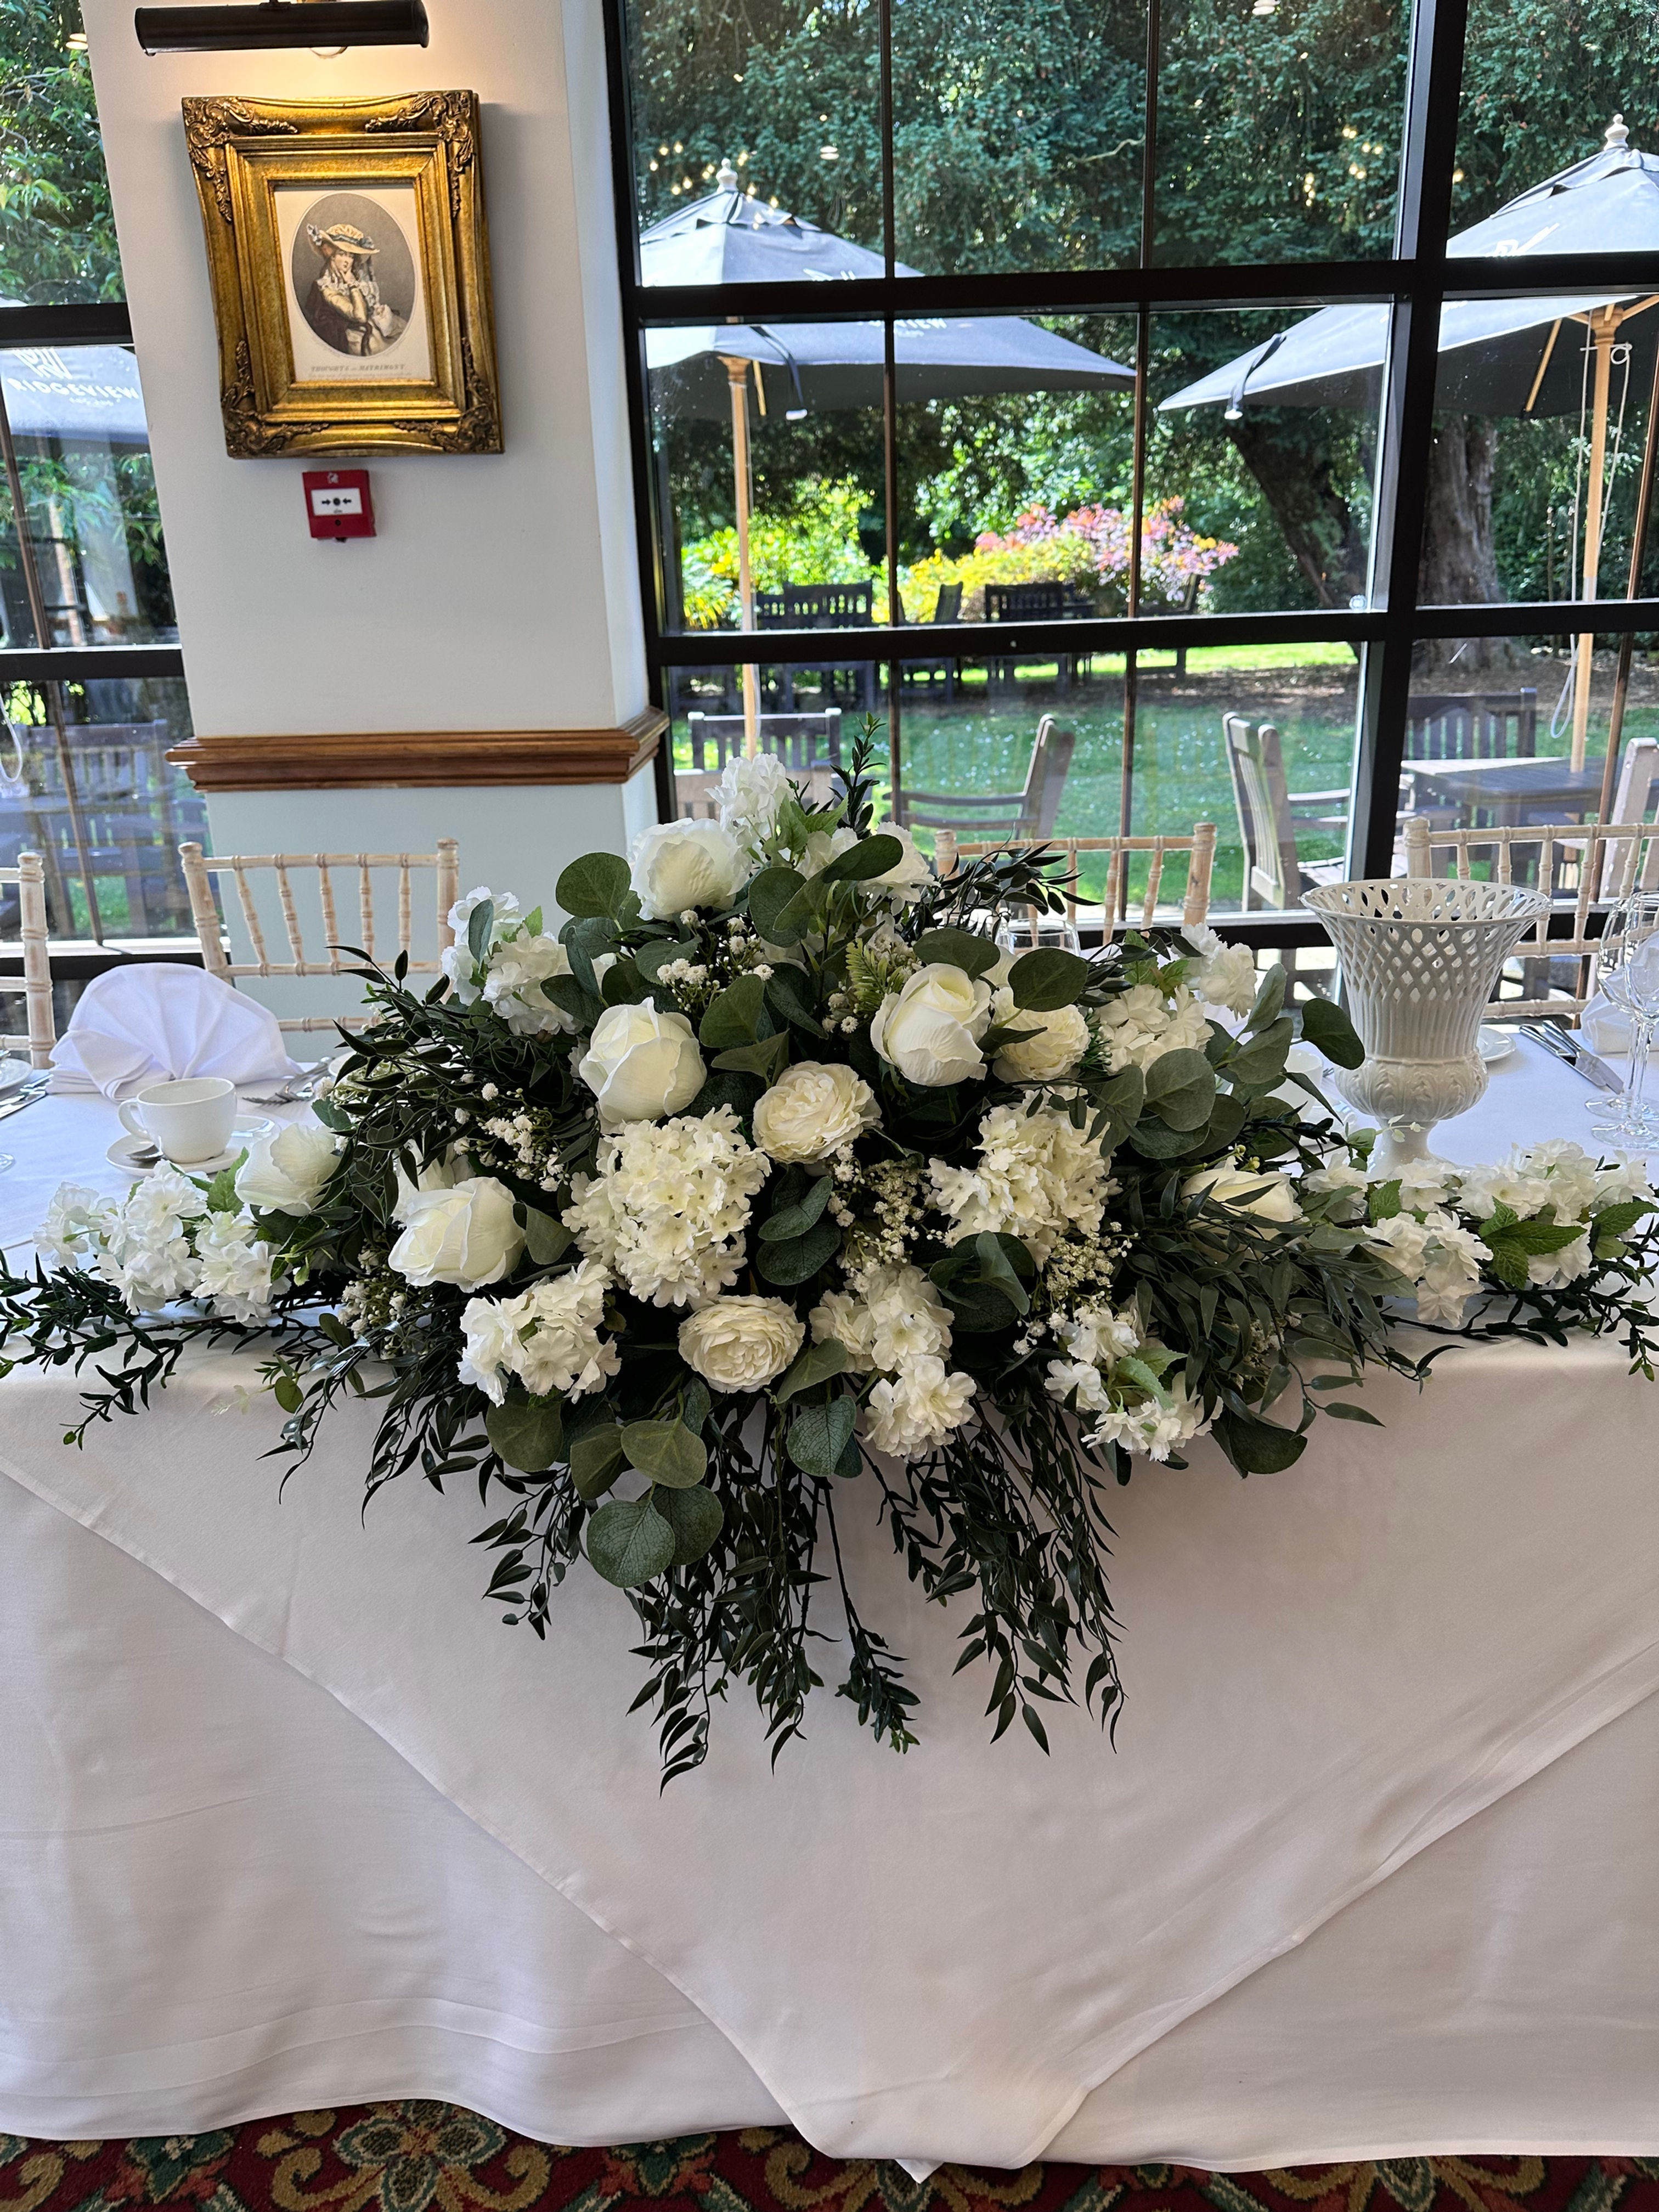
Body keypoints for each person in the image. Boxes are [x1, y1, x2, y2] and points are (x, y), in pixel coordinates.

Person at [300, 222, 407, 357]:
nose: (347, 261)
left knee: (400, 326)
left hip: (367, 324)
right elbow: (360, 317)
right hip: (352, 333)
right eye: (342, 254)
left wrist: (376, 309)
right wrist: (352, 284)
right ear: (332, 256)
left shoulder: (354, 276)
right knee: (379, 346)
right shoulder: (327, 287)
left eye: (350, 256)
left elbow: (368, 306)